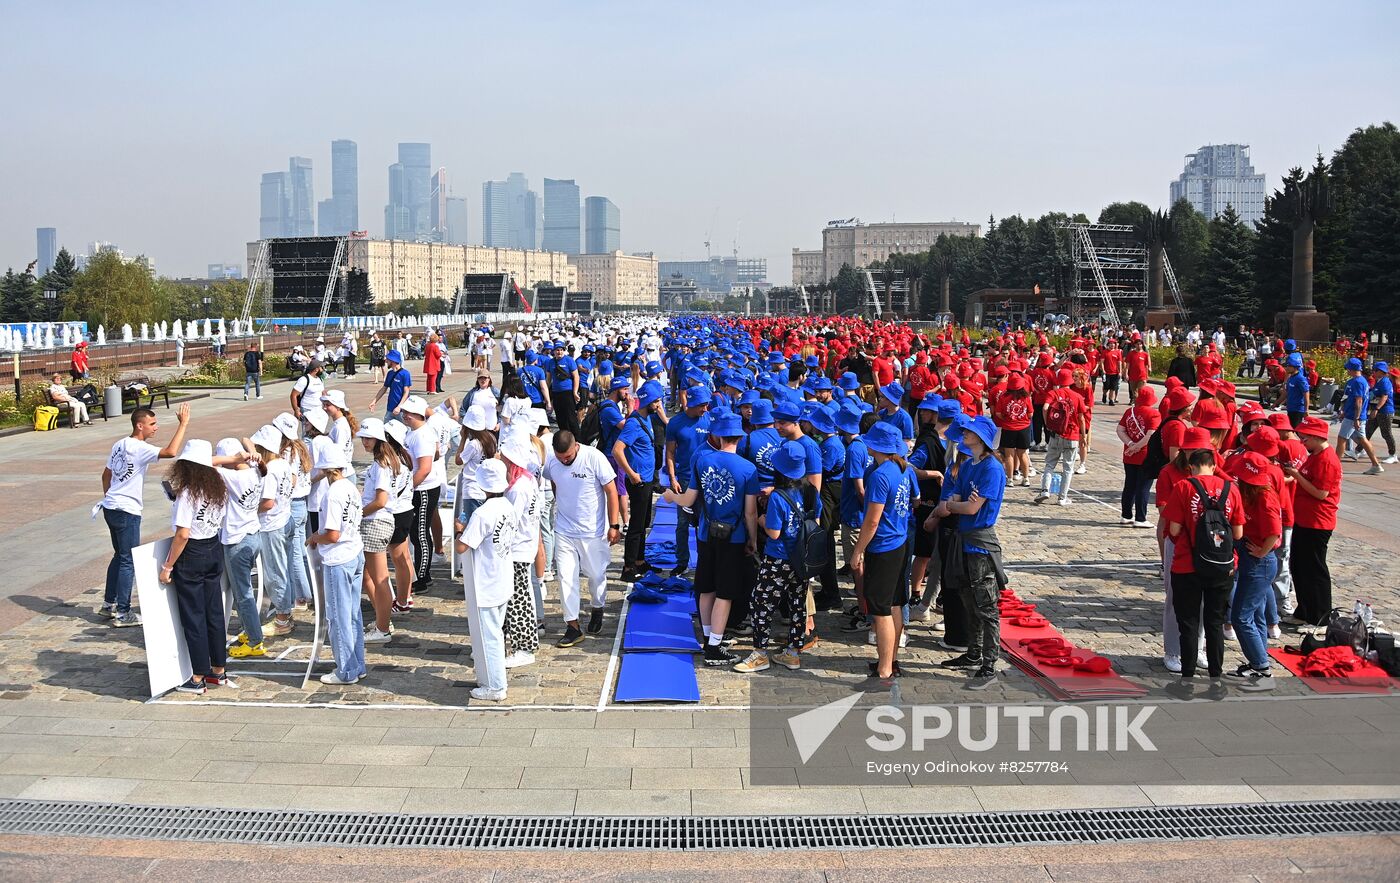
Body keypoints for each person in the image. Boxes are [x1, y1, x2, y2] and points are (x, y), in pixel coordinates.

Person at [99, 404, 192, 626]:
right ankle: (123, 612)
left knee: (119, 555)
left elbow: (106, 475)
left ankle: (107, 604)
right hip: (126, 510)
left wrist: (110, 496)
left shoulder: (120, 444)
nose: (156, 428)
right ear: (139, 426)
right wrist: (183, 424)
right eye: (152, 424)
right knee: (127, 559)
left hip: (111, 506)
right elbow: (170, 452)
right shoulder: (138, 447)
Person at [1164, 445, 1245, 699]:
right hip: (1221, 566)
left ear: (1192, 466)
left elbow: (1174, 529)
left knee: (1188, 623)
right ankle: (1215, 683)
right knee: (1214, 623)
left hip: (1188, 564)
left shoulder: (1184, 487)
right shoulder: (1231, 489)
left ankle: (1186, 683)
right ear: (1213, 465)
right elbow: (1239, 533)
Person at [936, 415, 1007, 691]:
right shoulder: (969, 466)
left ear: (982, 438)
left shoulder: (991, 468)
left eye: (970, 431)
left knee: (987, 606)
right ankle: (974, 652)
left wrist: (954, 506)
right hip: (964, 541)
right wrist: (957, 503)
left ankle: (989, 663)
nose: (964, 433)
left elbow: (970, 508)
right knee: (969, 600)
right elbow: (956, 497)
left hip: (980, 543)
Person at [159, 439, 234, 694]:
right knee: (214, 611)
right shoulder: (218, 487)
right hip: (214, 546)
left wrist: (168, 566)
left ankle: (198, 675)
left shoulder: (189, 493)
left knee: (194, 616)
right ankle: (218, 669)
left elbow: (182, 534)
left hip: (193, 552)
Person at [733, 441, 814, 675]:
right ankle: (793, 653)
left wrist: (761, 520)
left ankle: (760, 653)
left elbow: (774, 532)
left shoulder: (779, 497)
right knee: (798, 605)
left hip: (778, 558)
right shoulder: (810, 490)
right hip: (801, 559)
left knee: (761, 603)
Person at [848, 422, 917, 691]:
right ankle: (891, 660)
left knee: (880, 610)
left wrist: (857, 551)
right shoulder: (901, 468)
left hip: (883, 546)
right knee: (896, 604)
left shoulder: (879, 475)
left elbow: (872, 521)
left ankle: (885, 668)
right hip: (899, 542)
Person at [543, 430, 622, 647]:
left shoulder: (594, 457)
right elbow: (554, 482)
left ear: (576, 445)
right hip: (564, 529)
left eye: (567, 457)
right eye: (561, 458)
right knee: (566, 578)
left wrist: (613, 525)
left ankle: (598, 606)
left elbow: (611, 491)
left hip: (593, 530)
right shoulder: (552, 461)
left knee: (596, 574)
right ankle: (572, 625)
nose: (564, 461)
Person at [306, 438, 367, 686]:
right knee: (353, 614)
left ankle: (346, 670)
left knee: (338, 617)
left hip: (338, 558)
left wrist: (313, 538)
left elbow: (332, 534)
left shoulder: (333, 494)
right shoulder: (351, 487)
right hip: (354, 552)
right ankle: (357, 663)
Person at [457, 459, 517, 701]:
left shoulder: (483, 513)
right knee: (493, 634)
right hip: (501, 576)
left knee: (489, 637)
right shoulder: (507, 505)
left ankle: (495, 686)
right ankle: (490, 679)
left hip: (486, 582)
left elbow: (463, 546)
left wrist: (461, 529)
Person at [1228, 452, 1282, 691]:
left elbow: (1274, 532)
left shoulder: (1265, 499)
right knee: (1255, 616)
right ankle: (1258, 662)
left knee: (1241, 616)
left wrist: (1262, 551)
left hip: (1260, 563)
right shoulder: (1251, 493)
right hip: (1254, 560)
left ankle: (1261, 666)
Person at [1287, 416, 1341, 626]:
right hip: (1304, 518)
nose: (1302, 442)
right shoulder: (1315, 454)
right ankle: (1304, 611)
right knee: (1299, 566)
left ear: (1317, 437)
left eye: (1305, 438)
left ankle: (1320, 616)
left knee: (1314, 569)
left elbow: (1321, 493)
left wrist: (1297, 476)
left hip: (1318, 521)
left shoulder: (1327, 459)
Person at [218, 437, 269, 659]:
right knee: (243, 590)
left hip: (237, 540)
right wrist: (251, 452)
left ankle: (255, 641)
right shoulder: (255, 470)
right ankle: (251, 631)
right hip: (252, 534)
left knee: (243, 593)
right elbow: (247, 439)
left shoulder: (231, 477)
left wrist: (233, 457)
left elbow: (198, 462)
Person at [357, 418, 406, 644]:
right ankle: (382, 619)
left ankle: (383, 627)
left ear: (378, 440)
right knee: (371, 577)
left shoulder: (381, 465)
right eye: (363, 438)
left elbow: (381, 500)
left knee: (379, 579)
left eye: (368, 438)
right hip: (379, 520)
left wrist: (360, 512)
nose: (364, 442)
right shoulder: (385, 462)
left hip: (376, 522)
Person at [248, 424, 296, 638]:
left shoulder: (272, 470)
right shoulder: (283, 463)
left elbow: (267, 502)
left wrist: (249, 509)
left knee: (275, 572)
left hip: (272, 525)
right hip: (285, 518)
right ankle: (286, 609)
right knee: (284, 568)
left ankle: (283, 619)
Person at [614, 380, 664, 581]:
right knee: (636, 525)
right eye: (657, 402)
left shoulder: (647, 419)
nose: (659, 405)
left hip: (646, 479)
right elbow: (617, 450)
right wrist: (631, 474)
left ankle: (640, 561)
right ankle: (628, 567)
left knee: (643, 521)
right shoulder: (634, 424)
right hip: (638, 481)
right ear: (648, 402)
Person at [500, 435, 543, 668]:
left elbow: (510, 521)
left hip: (517, 548)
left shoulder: (518, 488)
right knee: (516, 596)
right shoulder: (527, 480)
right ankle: (514, 642)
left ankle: (524, 647)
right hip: (522, 546)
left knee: (519, 598)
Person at [664, 385, 711, 578]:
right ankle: (682, 562)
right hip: (684, 479)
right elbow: (670, 453)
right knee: (683, 523)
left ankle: (704, 562)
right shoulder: (675, 424)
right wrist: (672, 478)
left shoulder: (709, 420)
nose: (704, 409)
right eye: (701, 406)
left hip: (707, 479)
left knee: (704, 523)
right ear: (690, 405)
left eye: (706, 405)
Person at [398, 396, 442, 599]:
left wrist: (408, 488)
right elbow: (437, 454)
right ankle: (423, 573)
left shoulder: (422, 435)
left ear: (417, 414)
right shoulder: (416, 432)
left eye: (407, 413)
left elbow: (425, 468)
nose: (404, 415)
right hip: (418, 487)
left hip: (423, 489)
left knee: (420, 533)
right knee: (417, 532)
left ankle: (422, 577)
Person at [1034, 369, 1086, 507]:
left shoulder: (1053, 393)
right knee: (1068, 468)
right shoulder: (1077, 396)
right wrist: (1083, 435)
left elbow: (1045, 408)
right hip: (1072, 435)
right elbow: (1081, 418)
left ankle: (1045, 490)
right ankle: (1062, 498)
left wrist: (1048, 425)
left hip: (1056, 434)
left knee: (1050, 464)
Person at [1116, 385, 1162, 527]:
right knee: (1143, 487)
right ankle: (1140, 518)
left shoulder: (1129, 411)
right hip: (1145, 455)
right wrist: (1137, 447)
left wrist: (1130, 444)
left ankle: (1126, 515)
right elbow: (1151, 434)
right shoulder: (1154, 414)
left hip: (1129, 454)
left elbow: (1120, 430)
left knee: (1129, 485)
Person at [1338, 358, 1384, 474]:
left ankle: (1335, 466)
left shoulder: (1357, 382)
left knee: (1342, 439)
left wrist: (1356, 418)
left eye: (1348, 368)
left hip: (1353, 416)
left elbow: (1359, 401)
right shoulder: (1360, 381)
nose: (1347, 370)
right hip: (1356, 416)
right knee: (1363, 440)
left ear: (1352, 369)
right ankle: (1376, 464)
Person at [1366, 361, 1397, 463]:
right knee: (1368, 430)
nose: (1373, 372)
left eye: (1375, 370)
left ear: (1380, 372)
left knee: (1386, 433)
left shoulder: (1385, 382)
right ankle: (1358, 450)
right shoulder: (1379, 381)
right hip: (1378, 411)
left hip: (1385, 411)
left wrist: (1376, 409)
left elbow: (1384, 397)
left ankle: (1393, 455)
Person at [372, 349, 413, 421]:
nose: (386, 361)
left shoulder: (405, 374)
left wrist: (399, 406)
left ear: (392, 360)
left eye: (387, 359)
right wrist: (374, 401)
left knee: (404, 430)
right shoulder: (390, 373)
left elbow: (406, 392)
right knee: (386, 429)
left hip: (401, 410)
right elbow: (384, 388)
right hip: (390, 409)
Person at [291, 360, 325, 428]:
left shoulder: (319, 379)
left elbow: (322, 392)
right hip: (307, 409)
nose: (323, 369)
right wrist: (296, 410)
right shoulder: (304, 379)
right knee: (307, 432)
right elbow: (293, 395)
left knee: (318, 430)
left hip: (318, 409)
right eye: (321, 367)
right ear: (316, 369)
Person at [1284, 353, 1309, 427]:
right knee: (1291, 430)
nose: (1287, 368)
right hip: (1290, 409)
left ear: (1295, 367)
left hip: (1297, 410)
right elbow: (1286, 393)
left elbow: (1306, 394)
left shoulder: (1300, 379)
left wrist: (1306, 410)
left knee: (1297, 430)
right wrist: (1276, 403)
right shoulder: (1291, 378)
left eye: (1289, 366)